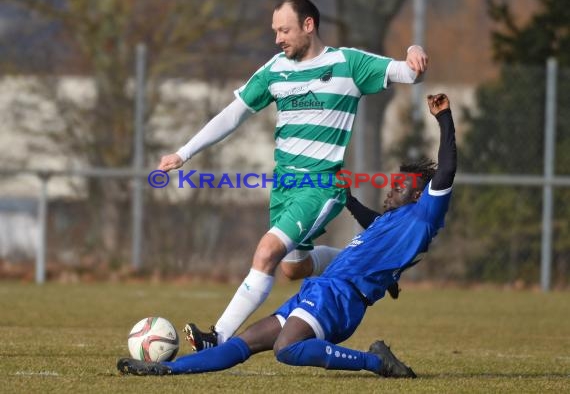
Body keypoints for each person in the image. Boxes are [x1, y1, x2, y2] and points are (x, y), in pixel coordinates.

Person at [117, 93, 456, 377]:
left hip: (340, 298)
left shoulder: (424, 214)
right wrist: (349, 199)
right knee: (243, 344)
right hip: (322, 289)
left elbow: (447, 169)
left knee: (286, 348)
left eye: (398, 188)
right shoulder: (392, 221)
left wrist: (443, 118)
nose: (389, 191)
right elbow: (374, 228)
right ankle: (168, 370)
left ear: (418, 196)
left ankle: (376, 361)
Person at [158, 0, 429, 350]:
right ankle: (369, 265)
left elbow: (408, 72)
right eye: (275, 31)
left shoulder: (347, 64)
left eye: (284, 30)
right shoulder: (274, 69)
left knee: (266, 252)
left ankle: (217, 337)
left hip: (320, 185)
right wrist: (183, 152)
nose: (277, 38)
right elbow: (232, 114)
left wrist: (414, 48)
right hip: (284, 186)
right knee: (293, 268)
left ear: (308, 25)